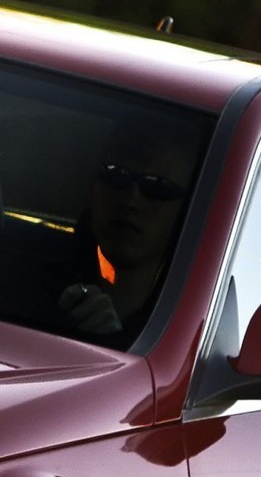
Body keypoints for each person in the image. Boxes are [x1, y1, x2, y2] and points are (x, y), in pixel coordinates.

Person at [58, 119, 199, 337]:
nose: (130, 200)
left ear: (188, 210)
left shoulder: (189, 331)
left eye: (157, 187)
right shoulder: (26, 288)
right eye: (116, 175)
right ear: (93, 186)